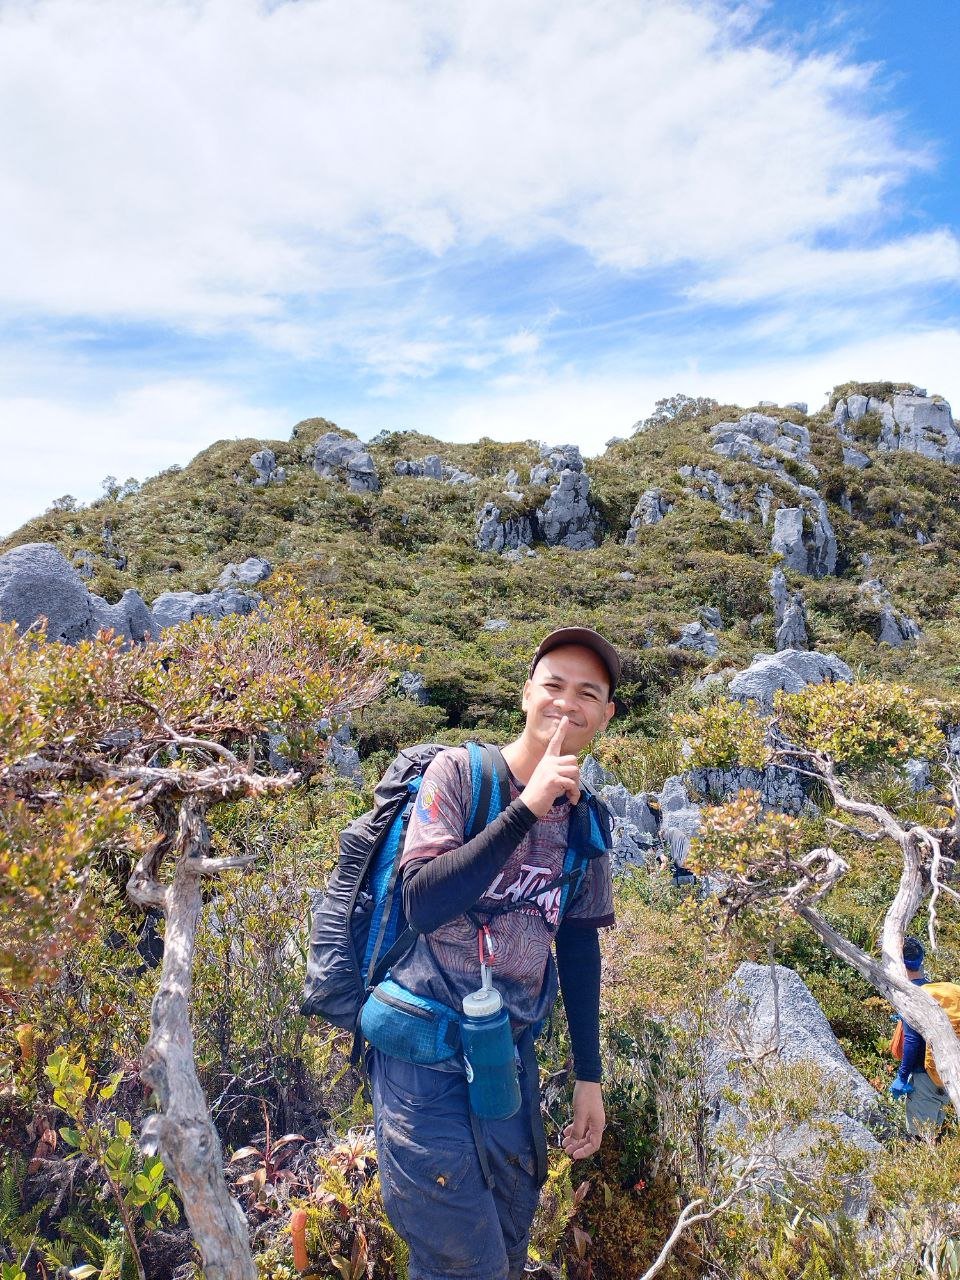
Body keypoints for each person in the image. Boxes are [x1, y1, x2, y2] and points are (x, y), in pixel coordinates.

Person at [368, 626, 619, 1280]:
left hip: (504, 1060)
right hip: (423, 1058)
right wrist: (527, 810)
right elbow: (423, 900)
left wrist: (588, 1077)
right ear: (526, 693)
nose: (568, 704)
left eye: (587, 693)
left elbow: (578, 945)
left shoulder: (585, 820)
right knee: (464, 1265)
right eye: (554, 686)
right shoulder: (459, 775)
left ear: (607, 714)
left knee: (507, 1244)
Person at [890, 937, 950, 1136]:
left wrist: (901, 1077)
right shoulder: (932, 989)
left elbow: (912, 1041)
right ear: (922, 959)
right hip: (945, 1074)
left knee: (920, 1138)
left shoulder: (910, 995)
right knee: (938, 1135)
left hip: (924, 1077)